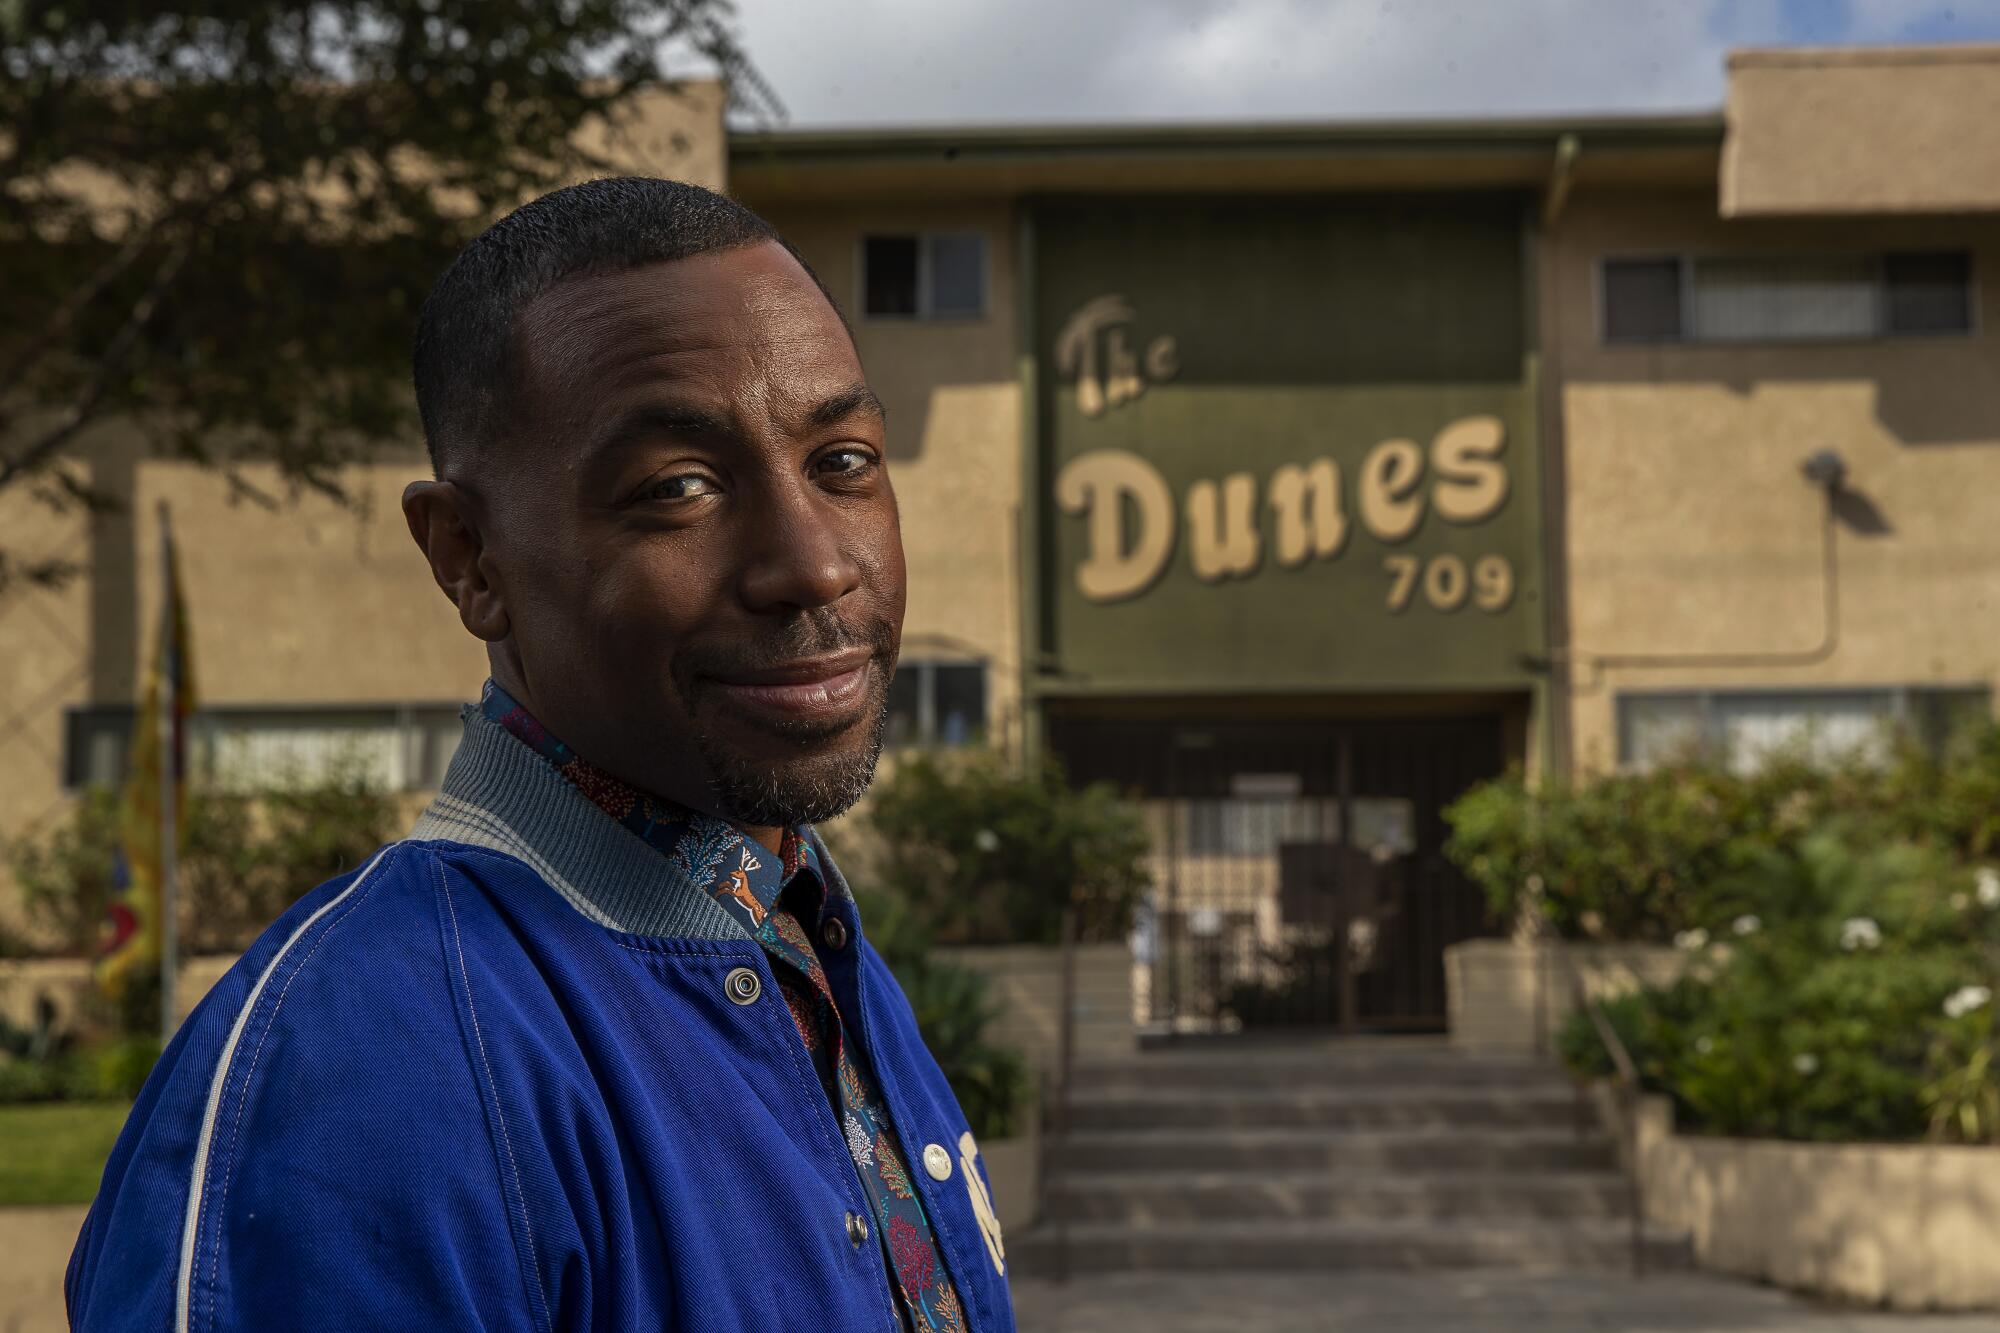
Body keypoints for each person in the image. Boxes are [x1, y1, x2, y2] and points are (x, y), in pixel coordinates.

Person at [66, 176, 1015, 1332]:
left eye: (843, 461)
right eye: (678, 487)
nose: (812, 565)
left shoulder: (803, 935)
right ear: (469, 556)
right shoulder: (359, 1082)